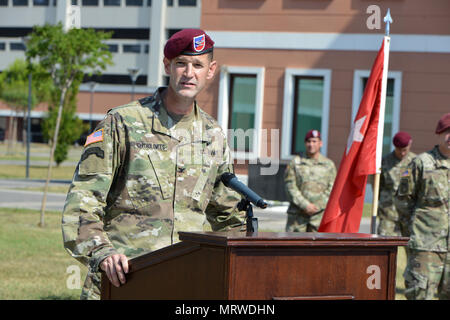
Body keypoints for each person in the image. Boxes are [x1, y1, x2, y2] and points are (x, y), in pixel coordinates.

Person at [62, 28, 245, 300]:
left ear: (211, 70)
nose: (189, 72)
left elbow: (228, 214)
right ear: (167, 66)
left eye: (198, 65)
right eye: (181, 63)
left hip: (185, 283)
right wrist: (102, 253)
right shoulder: (122, 123)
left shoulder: (212, 135)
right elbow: (83, 202)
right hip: (123, 280)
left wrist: (247, 261)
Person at [395, 113, 450, 300]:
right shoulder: (421, 163)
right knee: (420, 295)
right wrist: (414, 233)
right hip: (426, 247)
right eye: (446, 132)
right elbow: (403, 202)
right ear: (438, 134)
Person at [284, 129, 337, 232]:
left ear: (320, 143)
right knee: (294, 246)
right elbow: (290, 187)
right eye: (308, 141)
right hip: (297, 217)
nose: (311, 144)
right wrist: (305, 205)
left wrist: (317, 206)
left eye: (314, 141)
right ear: (305, 143)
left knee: (318, 247)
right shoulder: (295, 163)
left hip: (319, 217)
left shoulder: (329, 165)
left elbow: (332, 189)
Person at [377, 131, 416, 237]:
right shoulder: (385, 161)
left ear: (410, 145)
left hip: (408, 213)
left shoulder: (415, 162)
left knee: (412, 246)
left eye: (405, 150)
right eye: (399, 150)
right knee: (384, 246)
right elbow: (378, 185)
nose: (402, 153)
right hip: (388, 212)